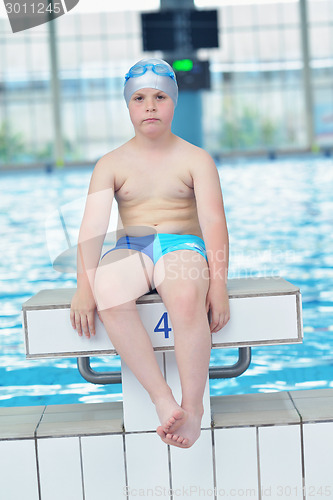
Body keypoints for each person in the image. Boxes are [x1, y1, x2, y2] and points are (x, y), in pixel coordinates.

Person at [70, 58, 230, 449]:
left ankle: (192, 409)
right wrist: (83, 287)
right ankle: (163, 401)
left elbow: (213, 223)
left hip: (182, 243)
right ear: (128, 107)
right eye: (139, 98)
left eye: (160, 97)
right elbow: (92, 230)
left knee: (184, 291)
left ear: (174, 103)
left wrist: (219, 285)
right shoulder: (110, 164)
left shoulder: (196, 159)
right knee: (108, 288)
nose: (150, 106)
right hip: (134, 245)